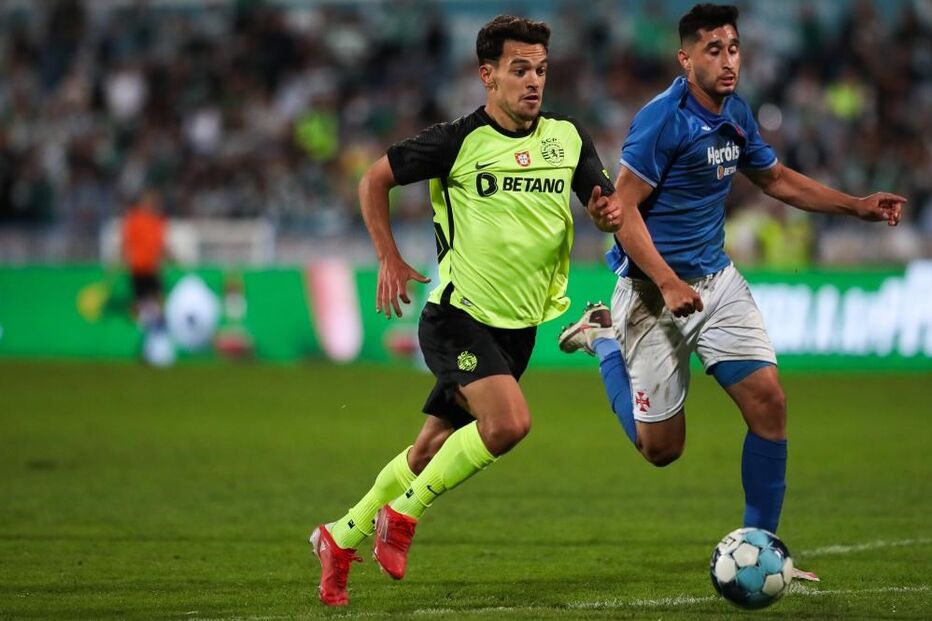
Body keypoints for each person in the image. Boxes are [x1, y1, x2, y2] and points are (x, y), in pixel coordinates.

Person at [559, 3, 905, 581]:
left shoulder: (736, 113)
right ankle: (604, 340)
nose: (728, 61)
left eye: (734, 48)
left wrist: (856, 206)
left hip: (717, 284)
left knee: (769, 402)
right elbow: (623, 210)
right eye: (714, 50)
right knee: (662, 450)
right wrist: (667, 282)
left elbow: (776, 179)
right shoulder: (662, 120)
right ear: (685, 58)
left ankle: (764, 550)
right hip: (651, 294)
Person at [310, 15, 616, 606]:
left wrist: (607, 214)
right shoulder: (456, 141)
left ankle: (339, 536)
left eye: (541, 70)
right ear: (488, 76)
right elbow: (373, 180)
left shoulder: (568, 137)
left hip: (518, 329)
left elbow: (602, 202)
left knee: (428, 450)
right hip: (457, 317)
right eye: (520, 69)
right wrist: (388, 256)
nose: (534, 81)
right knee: (509, 424)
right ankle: (403, 516)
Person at [121, 187, 168, 327]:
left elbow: (160, 244)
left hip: (152, 268)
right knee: (139, 300)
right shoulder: (134, 219)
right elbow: (126, 242)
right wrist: (122, 259)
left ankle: (155, 326)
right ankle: (134, 327)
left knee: (157, 299)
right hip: (138, 267)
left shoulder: (157, 221)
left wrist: (167, 257)